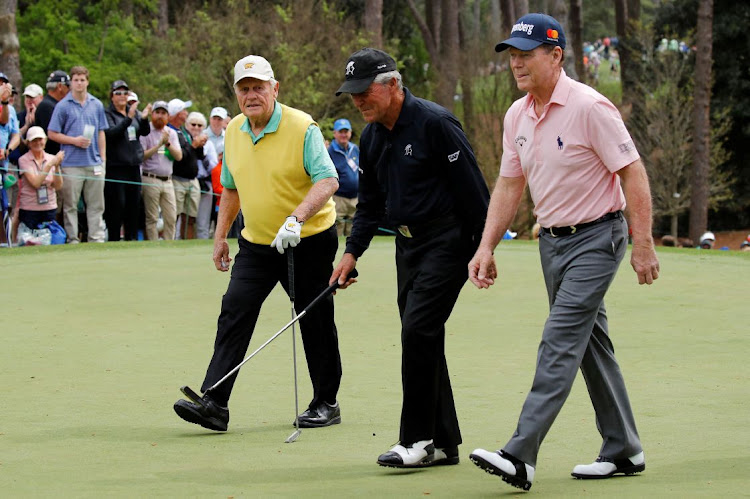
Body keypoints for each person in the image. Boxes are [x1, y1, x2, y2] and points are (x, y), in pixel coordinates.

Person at [466, 14, 660, 491]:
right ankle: (623, 449)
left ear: (555, 55)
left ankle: (520, 453)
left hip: (599, 238)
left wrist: (643, 243)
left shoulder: (590, 107)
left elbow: (632, 173)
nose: (516, 64)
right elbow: (510, 184)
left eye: (525, 54)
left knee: (559, 340)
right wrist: (486, 245)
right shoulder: (517, 115)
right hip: (552, 245)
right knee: (591, 345)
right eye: (512, 55)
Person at [331, 48, 490, 468]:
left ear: (393, 85)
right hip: (407, 247)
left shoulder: (435, 123)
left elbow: (475, 192)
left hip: (448, 240)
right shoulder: (371, 138)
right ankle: (443, 442)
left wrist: (484, 248)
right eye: (353, 95)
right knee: (424, 335)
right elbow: (369, 205)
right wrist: (351, 253)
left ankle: (416, 440)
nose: (358, 101)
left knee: (418, 330)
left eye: (365, 92)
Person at [173, 54, 344, 433]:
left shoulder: (302, 127)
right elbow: (230, 188)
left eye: (258, 87)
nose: (251, 95)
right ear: (236, 93)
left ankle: (326, 402)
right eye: (244, 89)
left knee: (314, 319)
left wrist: (297, 218)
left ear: (274, 89)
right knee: (235, 309)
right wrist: (220, 237)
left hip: (309, 239)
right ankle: (215, 401)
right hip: (256, 243)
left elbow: (328, 180)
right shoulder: (233, 130)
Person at [47, 66, 109, 243]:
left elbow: (101, 132)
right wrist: (74, 140)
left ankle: (96, 238)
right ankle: (72, 239)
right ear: (71, 83)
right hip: (71, 164)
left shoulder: (96, 104)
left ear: (87, 82)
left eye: (82, 80)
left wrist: (103, 159)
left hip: (94, 163)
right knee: (70, 206)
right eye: (76, 80)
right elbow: (52, 133)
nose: (79, 83)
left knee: (97, 205)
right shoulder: (62, 106)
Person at [103, 80, 150, 241]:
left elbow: (143, 132)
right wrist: (128, 119)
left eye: (125, 92)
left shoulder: (133, 112)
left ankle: (131, 240)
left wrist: (143, 119)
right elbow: (111, 134)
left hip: (133, 167)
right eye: (118, 93)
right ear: (112, 96)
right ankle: (114, 240)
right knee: (117, 207)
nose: (122, 96)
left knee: (133, 207)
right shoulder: (108, 114)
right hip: (116, 167)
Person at [139, 101, 183, 240]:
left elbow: (179, 156)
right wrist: (159, 145)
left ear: (168, 116)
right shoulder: (146, 131)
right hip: (150, 177)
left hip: (168, 180)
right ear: (152, 114)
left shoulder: (171, 133)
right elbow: (142, 155)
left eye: (163, 113)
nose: (160, 116)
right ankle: (153, 245)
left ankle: (169, 244)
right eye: (157, 112)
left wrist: (167, 143)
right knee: (152, 217)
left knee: (171, 216)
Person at [168, 98, 206, 240]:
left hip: (192, 180)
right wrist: (194, 145)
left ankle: (187, 243)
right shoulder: (171, 132)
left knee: (190, 217)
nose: (186, 112)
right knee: (175, 215)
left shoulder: (185, 131)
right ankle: (173, 243)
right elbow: (180, 157)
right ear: (178, 114)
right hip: (178, 179)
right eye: (184, 110)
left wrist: (200, 145)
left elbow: (198, 156)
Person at [16, 126, 64, 228]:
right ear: (28, 143)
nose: (38, 143)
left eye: (40, 139)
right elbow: (35, 183)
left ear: (45, 140)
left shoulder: (51, 158)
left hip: (49, 207)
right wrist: (50, 165)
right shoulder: (23, 160)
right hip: (30, 208)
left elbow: (58, 186)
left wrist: (56, 167)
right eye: (34, 140)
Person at [186, 111, 218, 239]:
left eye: (199, 125)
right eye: (193, 124)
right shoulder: (184, 139)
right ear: (187, 125)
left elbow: (213, 166)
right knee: (187, 220)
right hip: (186, 182)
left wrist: (202, 155)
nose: (196, 128)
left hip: (205, 184)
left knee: (203, 223)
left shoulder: (208, 144)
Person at [327, 118, 359, 236]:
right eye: (341, 132)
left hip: (355, 198)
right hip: (338, 197)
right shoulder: (329, 151)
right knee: (338, 228)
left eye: (346, 131)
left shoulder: (354, 148)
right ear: (335, 133)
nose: (344, 135)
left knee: (353, 229)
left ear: (350, 132)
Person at [35, 70, 70, 155]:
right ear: (60, 86)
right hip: (51, 156)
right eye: (68, 86)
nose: (69, 89)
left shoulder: (55, 104)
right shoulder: (47, 106)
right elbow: (51, 135)